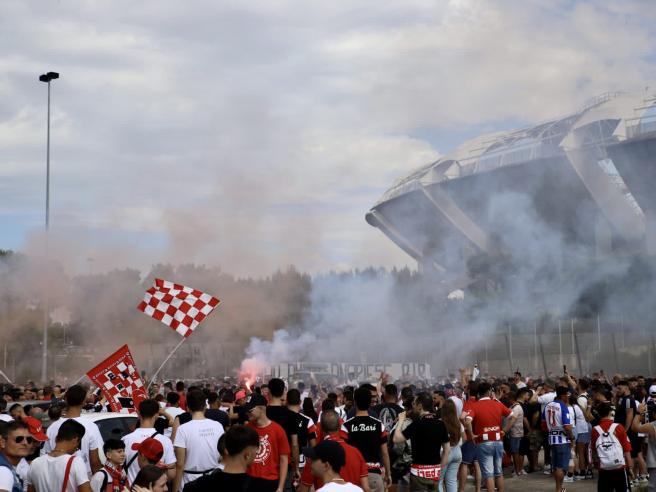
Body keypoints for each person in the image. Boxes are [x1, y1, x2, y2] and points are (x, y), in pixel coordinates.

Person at [298, 410, 369, 492]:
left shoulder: (318, 454)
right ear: (339, 426)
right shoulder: (356, 452)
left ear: (321, 428)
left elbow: (303, 489)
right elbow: (366, 487)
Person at [393, 392, 451, 492]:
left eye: (414, 404)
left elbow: (396, 439)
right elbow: (447, 450)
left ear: (420, 406)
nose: (413, 407)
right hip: (434, 473)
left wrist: (401, 420)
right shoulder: (441, 424)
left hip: (418, 473)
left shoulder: (417, 424)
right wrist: (439, 468)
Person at [465, 382, 514, 492]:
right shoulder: (497, 404)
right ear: (489, 392)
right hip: (498, 440)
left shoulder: (475, 406)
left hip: (483, 442)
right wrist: (504, 430)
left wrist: (472, 434)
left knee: (488, 474)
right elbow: (513, 416)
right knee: (499, 472)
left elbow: (467, 421)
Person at [44, 385, 103, 475]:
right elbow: (95, 462)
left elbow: (47, 457)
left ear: (66, 400)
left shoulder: (52, 427)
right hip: (83, 480)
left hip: (57, 478)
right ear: (83, 402)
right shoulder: (91, 427)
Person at [173, 390, 224, 491]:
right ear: (205, 406)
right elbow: (223, 456)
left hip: (190, 482)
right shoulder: (218, 426)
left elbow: (179, 464)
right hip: (214, 479)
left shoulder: (183, 429)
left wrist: (174, 489)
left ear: (188, 408)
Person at [183, 425, 260, 491]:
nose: (256, 455)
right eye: (256, 452)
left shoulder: (197, 486)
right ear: (248, 455)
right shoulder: (260, 487)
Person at [343, 387, 391, 492]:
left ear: (355, 402)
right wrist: (388, 473)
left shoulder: (346, 426)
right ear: (370, 402)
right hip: (374, 476)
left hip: (353, 476)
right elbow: (384, 452)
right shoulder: (378, 425)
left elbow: (342, 451)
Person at [27, 419, 90, 492]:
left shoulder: (35, 463)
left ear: (57, 438)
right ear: (75, 439)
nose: (76, 448)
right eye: (78, 445)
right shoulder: (75, 462)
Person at [122, 399, 176, 484]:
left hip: (132, 488)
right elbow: (171, 474)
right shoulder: (166, 441)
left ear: (138, 414)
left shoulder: (125, 440)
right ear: (156, 416)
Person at [244, 393, 290, 492]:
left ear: (261, 409)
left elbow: (284, 459)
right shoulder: (247, 429)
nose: (247, 413)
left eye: (250, 410)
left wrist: (281, 487)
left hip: (270, 481)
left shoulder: (278, 430)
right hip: (249, 480)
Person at [265, 378, 300, 488]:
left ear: (268, 393)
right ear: (283, 393)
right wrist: (297, 468)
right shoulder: (291, 416)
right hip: (285, 464)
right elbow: (294, 445)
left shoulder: (262, 414)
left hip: (265, 463)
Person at [592, 402, 633, 492]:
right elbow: (626, 448)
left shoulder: (595, 430)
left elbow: (594, 450)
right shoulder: (619, 427)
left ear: (598, 414)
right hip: (619, 467)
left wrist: (596, 464)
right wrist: (629, 466)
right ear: (610, 413)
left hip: (604, 468)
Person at [543, 386, 574, 492]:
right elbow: (567, 426)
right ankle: (558, 489)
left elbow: (543, 424)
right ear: (563, 396)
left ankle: (559, 488)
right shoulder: (563, 407)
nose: (568, 398)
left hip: (552, 439)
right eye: (567, 396)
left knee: (556, 467)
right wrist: (572, 437)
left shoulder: (547, 405)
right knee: (561, 467)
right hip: (563, 440)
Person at [286, 389, 316, 474]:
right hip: (301, 462)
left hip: (281, 459)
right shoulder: (307, 420)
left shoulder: (280, 418)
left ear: (287, 401)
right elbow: (313, 445)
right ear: (300, 401)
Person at [0, 421, 32, 492]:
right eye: (19, 439)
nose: (25, 443)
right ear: (3, 443)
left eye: (29, 440)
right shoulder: (4, 471)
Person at [439, 400, 463, 492]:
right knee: (452, 480)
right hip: (457, 452)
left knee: (439, 480)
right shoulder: (458, 423)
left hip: (444, 452)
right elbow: (464, 437)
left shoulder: (440, 423)